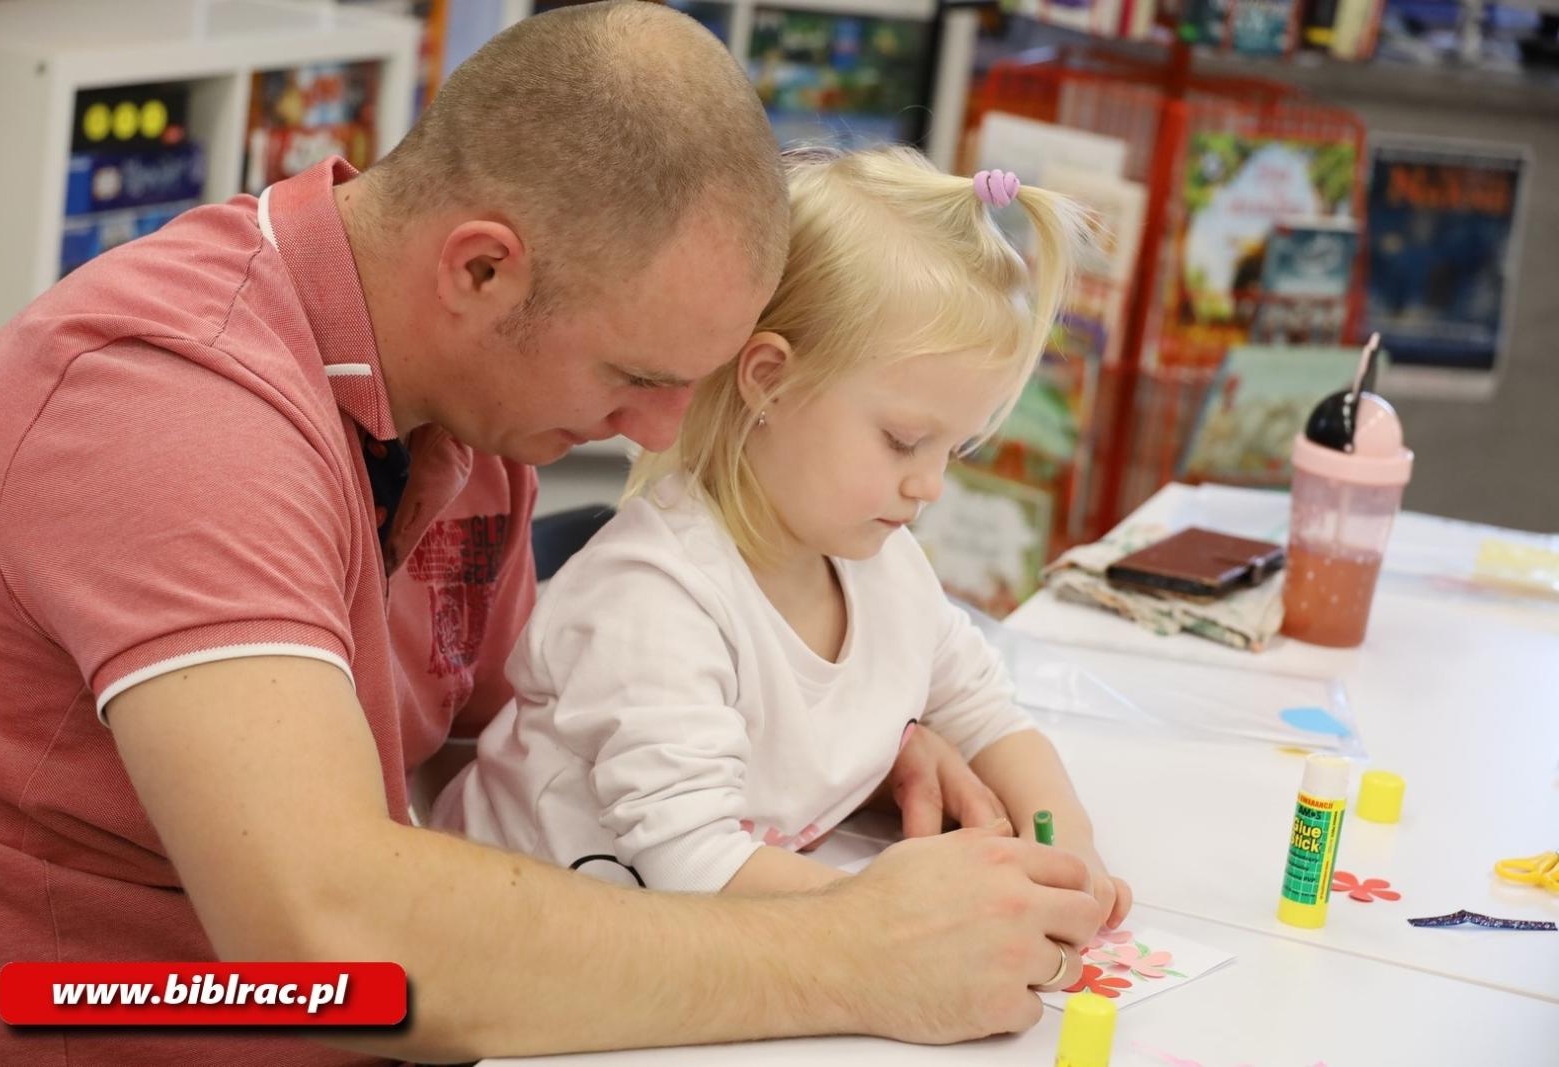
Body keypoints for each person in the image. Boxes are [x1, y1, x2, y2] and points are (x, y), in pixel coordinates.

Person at [0, 3, 1105, 1063]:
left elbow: (515, 760)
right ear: (482, 267)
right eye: (635, 373)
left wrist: (811, 736)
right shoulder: (169, 412)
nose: (662, 428)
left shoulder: (476, 409)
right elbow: (327, 944)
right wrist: (858, 949)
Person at [433, 146, 1133, 926]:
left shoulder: (884, 565)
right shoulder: (655, 601)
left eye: (955, 449)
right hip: (532, 969)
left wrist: (1072, 850)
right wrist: (915, 915)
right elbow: (691, 864)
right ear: (768, 379)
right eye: (904, 441)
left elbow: (987, 713)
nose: (930, 485)